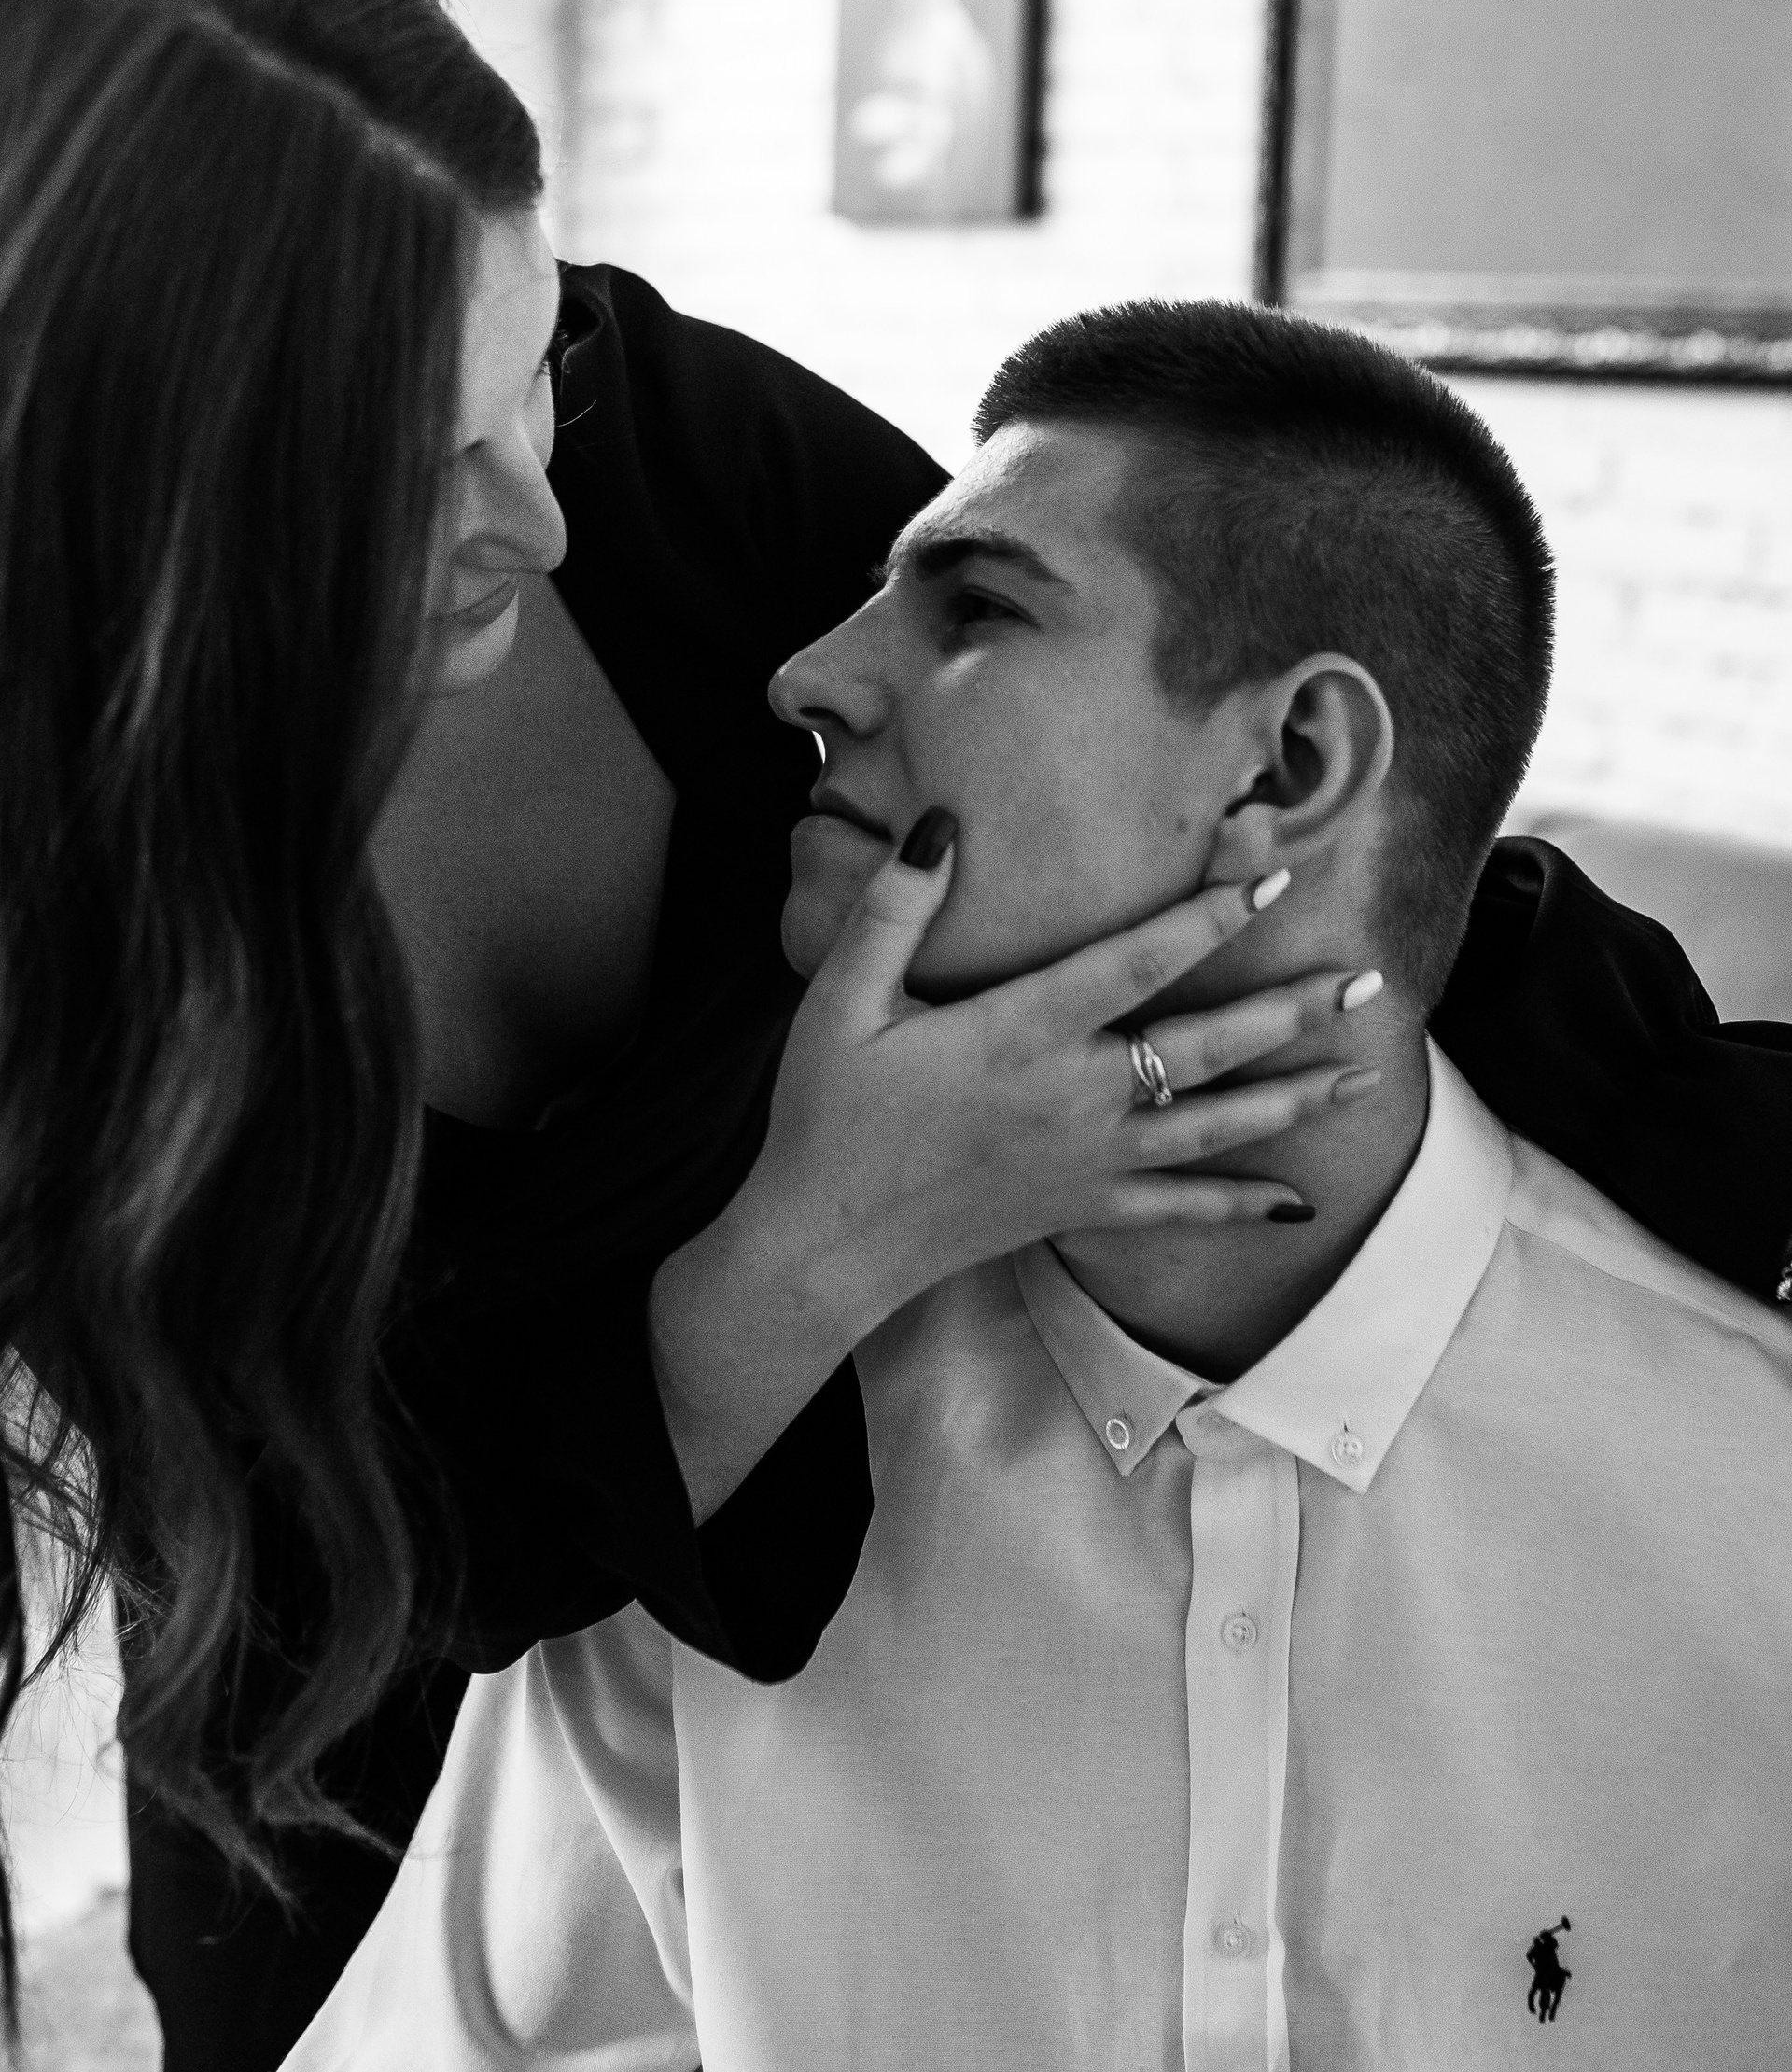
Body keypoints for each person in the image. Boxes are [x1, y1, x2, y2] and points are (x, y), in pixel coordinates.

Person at [0, 0, 1358, 2066]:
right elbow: (376, 1566)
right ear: (125, 546)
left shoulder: (658, 442)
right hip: (343, 1786)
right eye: (410, 473)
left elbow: (1169, 769)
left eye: (526, 372)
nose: (538, 516)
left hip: (868, 1720)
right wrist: (830, 1226)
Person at [284, 302, 1792, 2071]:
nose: (802, 676)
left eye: (978, 610)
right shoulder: (717, 1504)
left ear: (1292, 766)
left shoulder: (1745, 1483)